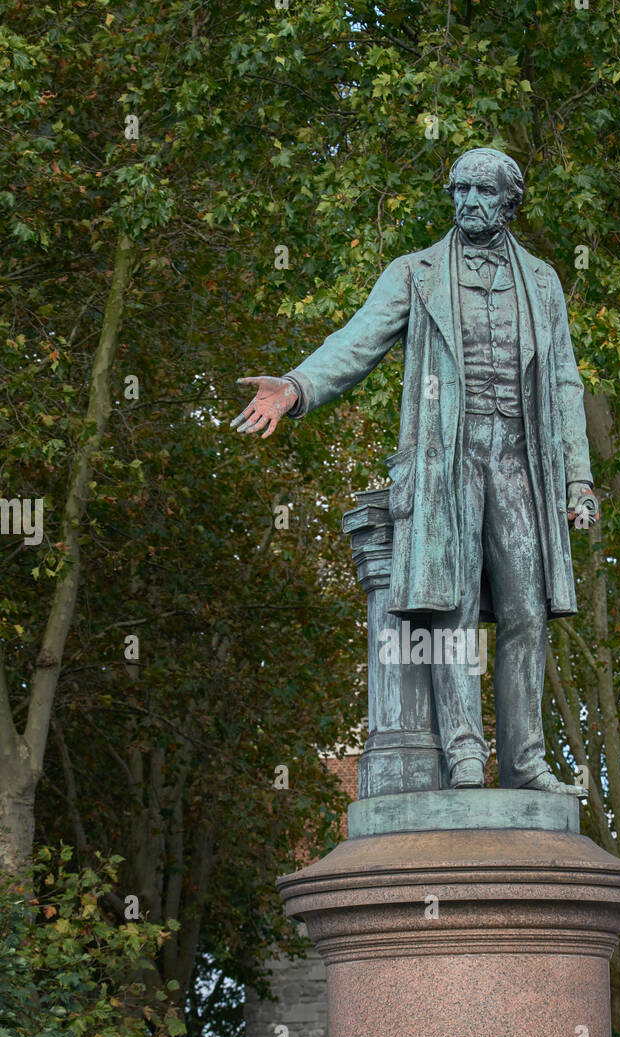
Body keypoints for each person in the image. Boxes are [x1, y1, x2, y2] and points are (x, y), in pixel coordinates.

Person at [232, 147, 599, 792]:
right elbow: (357, 340)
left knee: (526, 610)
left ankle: (526, 762)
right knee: (450, 603)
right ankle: (463, 754)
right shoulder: (416, 272)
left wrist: (577, 479)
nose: (467, 203)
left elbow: (566, 382)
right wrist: (294, 387)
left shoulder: (543, 282)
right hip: (447, 458)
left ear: (510, 203)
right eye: (459, 190)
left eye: (482, 192)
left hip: (520, 456)